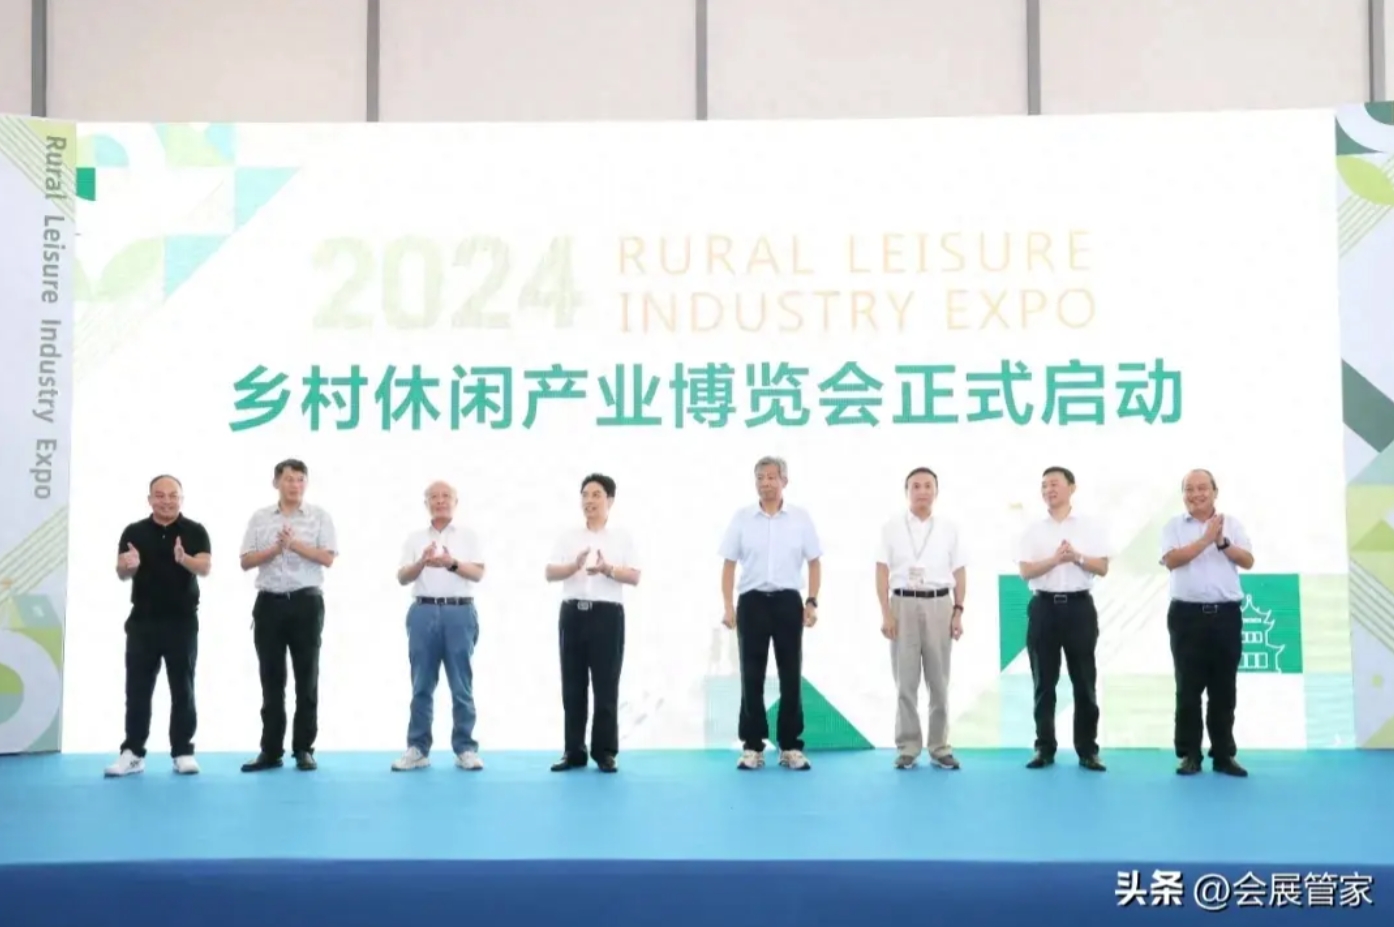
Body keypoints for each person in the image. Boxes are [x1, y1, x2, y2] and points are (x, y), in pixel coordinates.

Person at [103, 475, 211, 778]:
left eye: (172, 495)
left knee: (183, 688)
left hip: (182, 622)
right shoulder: (134, 531)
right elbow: (122, 571)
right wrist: (130, 566)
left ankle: (183, 752)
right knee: (137, 688)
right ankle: (133, 753)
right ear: (150, 499)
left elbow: (205, 566)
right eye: (160, 495)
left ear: (181, 499)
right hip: (143, 622)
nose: (166, 501)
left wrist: (184, 558)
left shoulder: (195, 530)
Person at [720, 456, 822, 771]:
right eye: (760, 477)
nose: (765, 483)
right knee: (751, 676)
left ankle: (790, 746)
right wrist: (728, 606)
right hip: (751, 602)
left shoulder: (800, 518)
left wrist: (812, 601)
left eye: (771, 477)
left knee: (791, 674)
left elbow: (814, 562)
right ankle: (753, 746)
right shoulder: (742, 518)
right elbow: (728, 564)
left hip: (788, 602)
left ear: (784, 481)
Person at [237, 459, 338, 773]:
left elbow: (327, 558)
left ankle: (304, 748)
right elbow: (246, 561)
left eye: (300, 479)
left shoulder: (319, 516)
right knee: (271, 680)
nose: (295, 485)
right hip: (269, 604)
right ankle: (270, 750)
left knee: (307, 679)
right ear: (276, 483)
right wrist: (275, 549)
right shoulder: (260, 518)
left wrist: (294, 545)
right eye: (289, 479)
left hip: (306, 603)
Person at [1159, 469, 1254, 777]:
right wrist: (1204, 540)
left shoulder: (1232, 524)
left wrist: (1222, 542)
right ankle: (1189, 754)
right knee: (1188, 688)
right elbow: (1172, 560)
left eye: (1202, 488)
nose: (1195, 494)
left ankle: (1224, 754)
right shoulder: (1173, 526)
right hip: (1187, 616)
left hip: (1225, 616)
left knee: (1224, 688)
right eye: (1189, 489)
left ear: (1215, 492)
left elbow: (1248, 561)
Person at [544, 473, 641, 773]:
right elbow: (550, 572)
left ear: (610, 500)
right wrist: (574, 565)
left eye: (596, 495)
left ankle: (605, 752)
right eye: (585, 495)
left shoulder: (622, 537)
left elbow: (634, 576)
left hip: (607, 615)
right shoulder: (568, 536)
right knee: (572, 685)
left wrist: (608, 569)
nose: (589, 501)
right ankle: (573, 751)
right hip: (572, 614)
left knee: (605, 685)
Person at [1016, 466, 1109, 772]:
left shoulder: (1090, 526)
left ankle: (1087, 750)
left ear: (1072, 487)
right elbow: (1026, 571)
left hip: (1079, 608)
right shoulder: (1033, 530)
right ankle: (1044, 748)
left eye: (1054, 484)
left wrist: (1076, 557)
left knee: (1084, 681)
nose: (1049, 490)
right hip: (1044, 608)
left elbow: (1102, 567)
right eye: (1044, 485)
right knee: (1044, 682)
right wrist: (1055, 560)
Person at [391, 481, 486, 772]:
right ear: (426, 503)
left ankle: (465, 749)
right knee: (421, 684)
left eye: (446, 496)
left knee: (461, 685)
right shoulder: (415, 538)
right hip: (423, 611)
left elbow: (478, 573)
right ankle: (418, 749)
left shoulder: (468, 536)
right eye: (434, 497)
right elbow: (402, 577)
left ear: (456, 502)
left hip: (459, 612)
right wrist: (421, 562)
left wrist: (451, 562)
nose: (440, 500)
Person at [875, 467, 966, 770]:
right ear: (907, 491)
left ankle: (939, 747)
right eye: (916, 486)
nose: (922, 491)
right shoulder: (891, 527)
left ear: (936, 491)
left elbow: (959, 571)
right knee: (906, 681)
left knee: (939, 682)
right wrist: (886, 613)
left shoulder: (949, 528)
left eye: (928, 486)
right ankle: (908, 746)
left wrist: (958, 610)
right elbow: (881, 571)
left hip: (939, 603)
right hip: (902, 604)